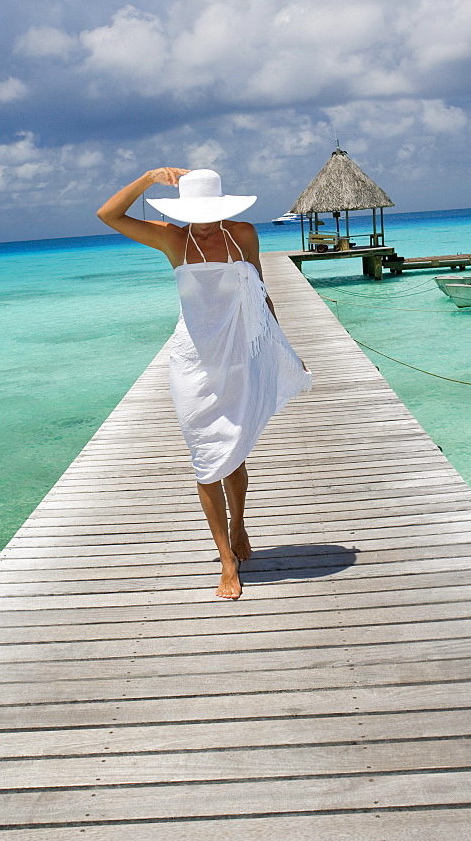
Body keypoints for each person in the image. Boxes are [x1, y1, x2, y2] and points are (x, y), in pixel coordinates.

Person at [97, 168, 311, 600]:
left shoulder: (244, 234)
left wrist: (280, 347)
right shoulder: (173, 240)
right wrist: (148, 178)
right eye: (197, 211)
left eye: (211, 211)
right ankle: (226, 561)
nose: (206, 219)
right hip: (194, 362)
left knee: (233, 451)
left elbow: (260, 292)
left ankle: (239, 525)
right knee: (206, 457)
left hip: (239, 357)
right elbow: (108, 215)